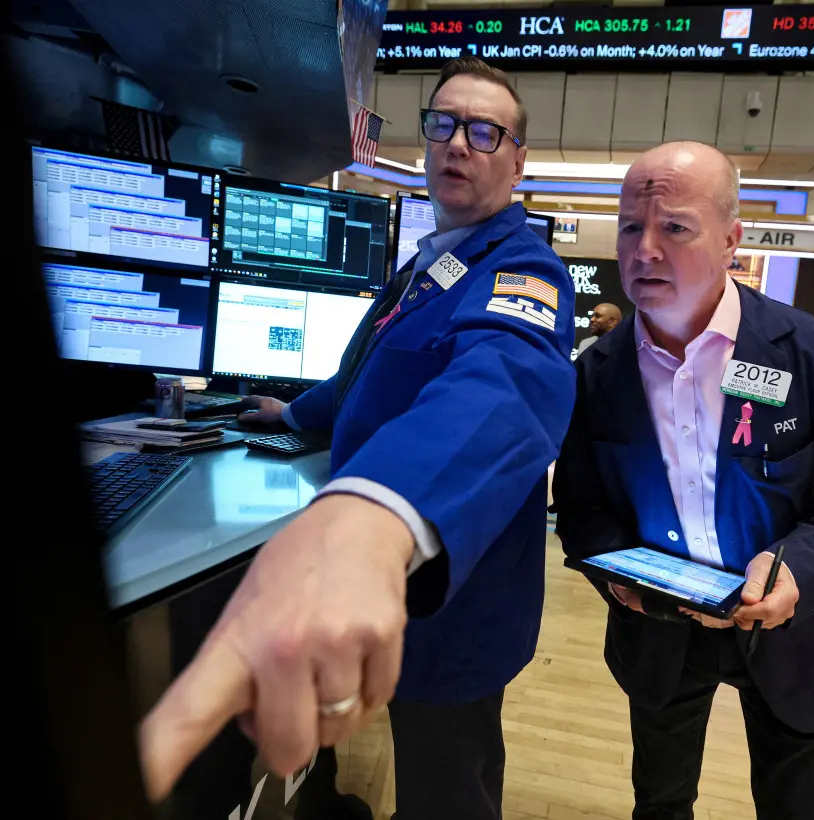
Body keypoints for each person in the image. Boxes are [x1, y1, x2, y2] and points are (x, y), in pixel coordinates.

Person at [140, 56, 577, 820]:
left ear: (517, 159)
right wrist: (296, 414)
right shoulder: (426, 266)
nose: (458, 144)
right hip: (388, 599)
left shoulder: (523, 268)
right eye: (443, 124)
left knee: (447, 789)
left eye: (484, 131)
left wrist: (375, 512)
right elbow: (364, 376)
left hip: (451, 604)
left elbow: (502, 386)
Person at [554, 142, 814, 818]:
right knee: (659, 800)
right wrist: (616, 571)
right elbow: (581, 501)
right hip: (661, 631)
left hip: (799, 630)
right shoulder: (597, 371)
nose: (644, 250)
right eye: (631, 227)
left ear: (732, 240)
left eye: (674, 227)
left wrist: (797, 568)